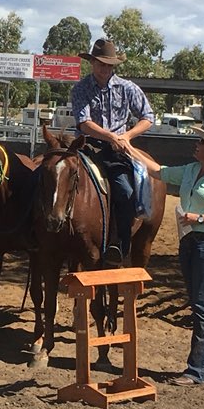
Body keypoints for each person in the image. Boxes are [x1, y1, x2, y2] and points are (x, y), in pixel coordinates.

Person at [128, 125, 204, 386]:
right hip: (191, 241)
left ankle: (197, 370)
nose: (196, 145)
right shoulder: (191, 170)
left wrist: (199, 218)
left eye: (201, 143)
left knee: (201, 305)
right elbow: (158, 171)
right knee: (200, 303)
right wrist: (129, 148)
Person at [70, 38, 156, 264]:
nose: (104, 68)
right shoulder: (80, 88)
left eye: (109, 65)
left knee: (125, 191)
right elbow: (84, 123)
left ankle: (119, 242)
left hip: (117, 150)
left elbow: (148, 117)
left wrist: (127, 136)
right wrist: (110, 136)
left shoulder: (128, 88)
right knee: (57, 177)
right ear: (92, 63)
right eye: (101, 63)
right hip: (87, 146)